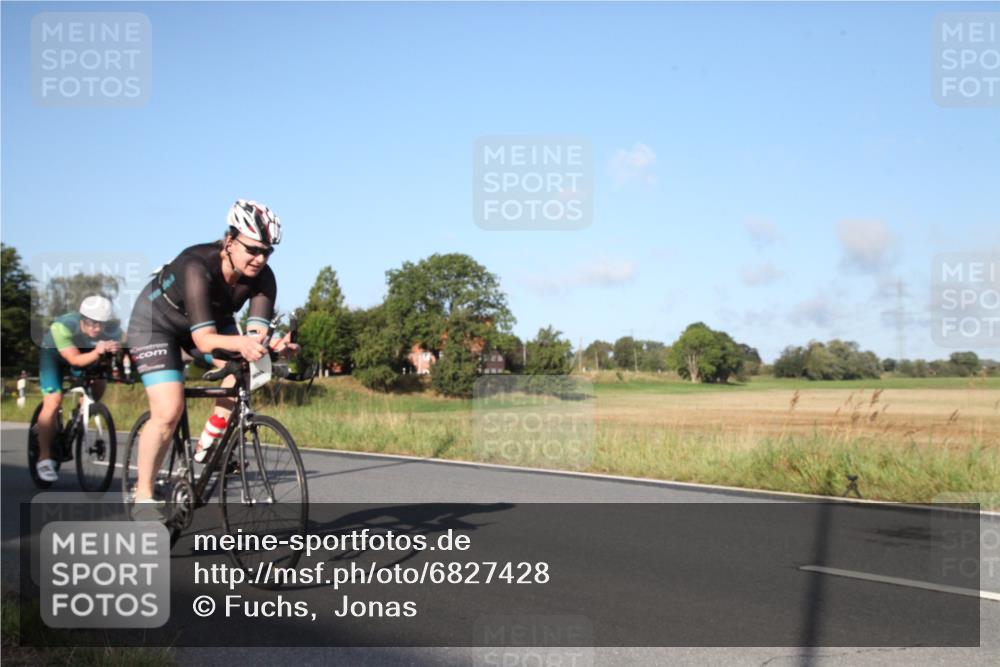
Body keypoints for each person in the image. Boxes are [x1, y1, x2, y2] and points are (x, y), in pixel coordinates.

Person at [126, 200, 297, 520]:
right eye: (253, 249)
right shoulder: (196, 265)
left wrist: (273, 345)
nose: (260, 259)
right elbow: (204, 341)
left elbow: (254, 337)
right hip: (156, 326)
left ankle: (206, 450)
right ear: (230, 242)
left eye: (268, 252)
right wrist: (244, 344)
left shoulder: (264, 278)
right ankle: (144, 496)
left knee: (243, 373)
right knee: (168, 410)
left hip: (209, 322)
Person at [35, 296, 122, 482]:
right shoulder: (63, 326)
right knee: (53, 401)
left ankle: (79, 415)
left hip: (86, 352)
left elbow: (118, 358)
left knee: (99, 382)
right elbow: (74, 360)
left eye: (101, 325)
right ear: (82, 319)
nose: (97, 329)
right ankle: (44, 457)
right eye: (92, 324)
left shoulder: (114, 331)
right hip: (54, 354)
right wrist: (98, 352)